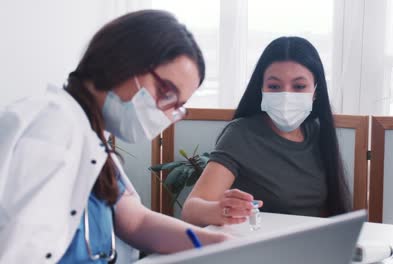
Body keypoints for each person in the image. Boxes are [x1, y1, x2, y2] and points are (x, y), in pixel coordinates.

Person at [0, 10, 229, 264]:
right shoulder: (53, 129)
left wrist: (219, 244)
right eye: (166, 92)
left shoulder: (91, 137)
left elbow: (136, 221)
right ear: (124, 61)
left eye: (177, 106)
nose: (166, 113)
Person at [181, 36, 352, 227]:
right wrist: (223, 210)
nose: (286, 95)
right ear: (261, 89)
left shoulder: (319, 133)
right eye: (274, 86)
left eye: (299, 86)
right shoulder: (241, 134)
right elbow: (191, 210)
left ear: (316, 92)